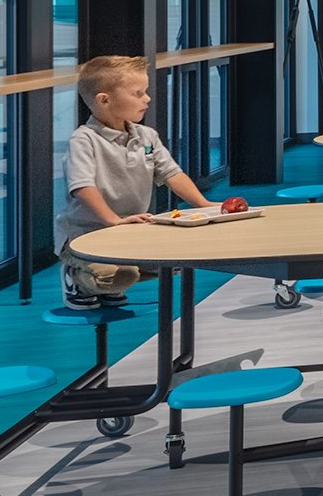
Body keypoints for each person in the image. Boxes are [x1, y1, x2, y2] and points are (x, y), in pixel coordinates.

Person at [56, 53, 228, 307]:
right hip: (87, 236)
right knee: (123, 276)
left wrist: (203, 204)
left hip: (131, 231)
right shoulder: (83, 140)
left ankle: (117, 275)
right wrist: (113, 220)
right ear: (104, 100)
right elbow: (82, 187)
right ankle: (77, 277)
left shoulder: (146, 135)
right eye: (137, 93)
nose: (147, 98)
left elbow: (172, 174)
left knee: (179, 261)